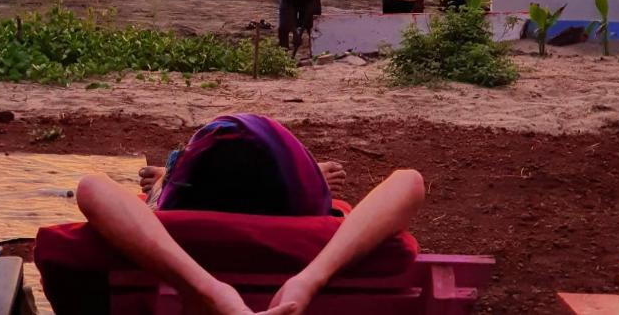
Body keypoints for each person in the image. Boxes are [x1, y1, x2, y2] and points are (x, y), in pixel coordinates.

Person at [68, 114, 424, 315]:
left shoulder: (165, 234)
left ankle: (171, 173)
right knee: (238, 166)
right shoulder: (319, 237)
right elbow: (410, 181)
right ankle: (176, 171)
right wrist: (310, 278)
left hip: (200, 213)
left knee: (188, 171)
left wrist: (211, 292)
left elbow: (92, 188)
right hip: (286, 210)